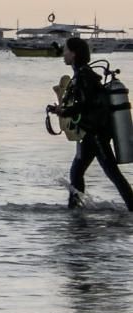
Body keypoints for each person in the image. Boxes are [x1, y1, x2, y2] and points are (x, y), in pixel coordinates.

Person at [47, 37, 133, 210]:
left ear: (74, 53)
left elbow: (88, 104)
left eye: (66, 50)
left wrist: (64, 112)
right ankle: (75, 210)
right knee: (79, 172)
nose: (63, 54)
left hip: (95, 133)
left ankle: (77, 210)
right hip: (91, 131)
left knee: (109, 173)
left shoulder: (84, 75)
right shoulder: (82, 74)